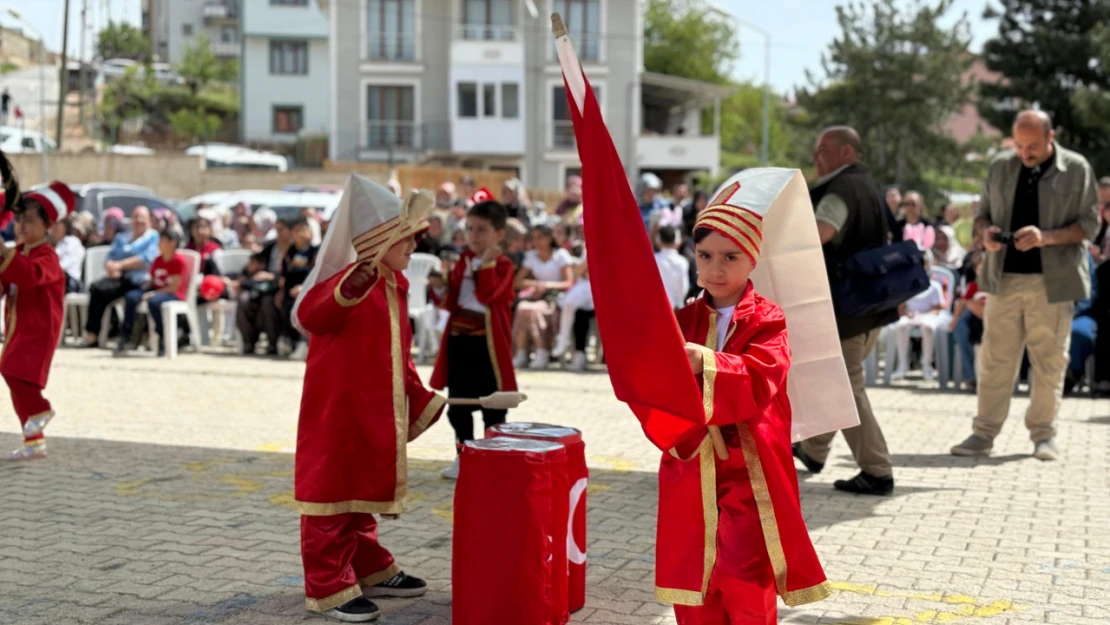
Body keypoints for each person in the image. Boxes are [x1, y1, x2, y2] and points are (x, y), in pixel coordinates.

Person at [665, 175, 832, 624]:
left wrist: (709, 363)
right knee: (693, 582)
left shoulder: (768, 319)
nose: (715, 268)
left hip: (747, 470)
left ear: (752, 258)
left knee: (743, 574)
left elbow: (762, 378)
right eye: (705, 256)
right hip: (693, 464)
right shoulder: (680, 321)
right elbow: (656, 391)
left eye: (729, 257)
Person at [290, 175, 445, 623]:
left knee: (362, 486)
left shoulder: (395, 285)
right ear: (380, 241)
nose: (414, 246)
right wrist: (351, 285)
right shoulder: (346, 281)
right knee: (332, 489)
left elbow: (399, 355)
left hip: (372, 405)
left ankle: (368, 565)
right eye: (407, 237)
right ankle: (328, 583)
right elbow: (310, 315)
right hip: (336, 407)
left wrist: (421, 399)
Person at [950, 110, 1100, 462]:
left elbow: (1089, 224)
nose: (1024, 153)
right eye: (1018, 145)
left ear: (1052, 137)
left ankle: (1044, 436)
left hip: (1053, 282)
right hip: (1003, 278)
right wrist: (985, 234)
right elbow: (983, 214)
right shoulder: (1001, 165)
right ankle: (983, 434)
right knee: (994, 360)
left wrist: (1045, 237)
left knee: (1048, 362)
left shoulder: (1077, 168)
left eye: (1032, 146)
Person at [794, 125, 897, 496]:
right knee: (834, 382)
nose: (815, 156)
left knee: (845, 389)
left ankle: (877, 470)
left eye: (823, 149)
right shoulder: (869, 185)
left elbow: (821, 231)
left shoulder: (840, 188)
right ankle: (813, 450)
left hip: (847, 308)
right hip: (870, 306)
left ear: (846, 153)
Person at [430, 200, 517, 481]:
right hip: (459, 344)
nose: (474, 235)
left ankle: (493, 456)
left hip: (487, 347)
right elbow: (451, 301)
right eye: (469, 229)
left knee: (493, 407)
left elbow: (487, 295)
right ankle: (463, 456)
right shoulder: (463, 260)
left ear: (499, 234)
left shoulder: (504, 265)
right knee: (459, 406)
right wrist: (441, 284)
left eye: (481, 230)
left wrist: (487, 263)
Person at [0, 174, 72, 461]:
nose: (21, 226)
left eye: (29, 220)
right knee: (17, 376)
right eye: (19, 220)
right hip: (19, 327)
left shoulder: (47, 257)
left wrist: (4, 254)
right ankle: (33, 442)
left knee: (14, 370)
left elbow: (29, 277)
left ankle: (41, 410)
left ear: (47, 226)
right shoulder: (18, 251)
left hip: (39, 329)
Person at [83, 206, 160, 347]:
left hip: (140, 281)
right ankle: (93, 334)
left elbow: (146, 259)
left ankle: (127, 337)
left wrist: (120, 265)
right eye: (135, 217)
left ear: (149, 220)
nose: (138, 220)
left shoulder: (153, 237)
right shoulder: (122, 237)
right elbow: (109, 257)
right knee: (96, 288)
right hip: (120, 278)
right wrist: (111, 267)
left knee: (130, 298)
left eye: (142, 217)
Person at [116, 229, 188, 357]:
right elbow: (152, 280)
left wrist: (153, 294)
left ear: (172, 243)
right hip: (156, 289)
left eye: (162, 241)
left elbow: (173, 287)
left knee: (154, 303)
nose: (159, 243)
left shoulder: (179, 261)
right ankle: (127, 335)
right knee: (131, 297)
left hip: (173, 294)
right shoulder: (158, 260)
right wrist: (144, 290)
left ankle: (162, 337)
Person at [512, 224, 575, 369]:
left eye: (540, 238)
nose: (536, 242)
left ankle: (542, 351)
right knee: (522, 308)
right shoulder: (531, 256)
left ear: (549, 238)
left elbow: (568, 282)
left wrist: (546, 286)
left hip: (555, 298)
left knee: (535, 311)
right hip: (537, 297)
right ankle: (521, 352)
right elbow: (518, 281)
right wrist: (536, 285)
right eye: (534, 238)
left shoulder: (561, 255)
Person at [890, 251, 949, 381]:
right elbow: (901, 307)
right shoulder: (905, 285)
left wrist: (923, 316)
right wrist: (907, 314)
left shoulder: (934, 286)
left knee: (927, 327)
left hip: (928, 317)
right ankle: (902, 365)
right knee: (901, 326)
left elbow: (936, 309)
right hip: (910, 317)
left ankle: (926, 366)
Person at [277, 218, 318, 359]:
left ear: (310, 232)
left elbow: (315, 272)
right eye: (296, 230)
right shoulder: (290, 251)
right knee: (282, 306)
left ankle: (303, 344)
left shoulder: (315, 251)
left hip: (308, 290)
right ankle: (286, 341)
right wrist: (280, 291)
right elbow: (284, 274)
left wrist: (304, 287)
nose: (299, 234)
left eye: (302, 230)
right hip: (289, 291)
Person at [949, 253, 986, 391]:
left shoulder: (1000, 286)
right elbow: (963, 302)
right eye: (979, 268)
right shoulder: (973, 286)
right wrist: (954, 319)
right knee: (961, 329)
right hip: (974, 324)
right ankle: (970, 378)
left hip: (993, 321)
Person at [654, 225, 689, 311]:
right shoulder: (682, 261)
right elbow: (683, 287)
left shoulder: (653, 259)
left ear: (659, 240)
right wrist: (678, 302)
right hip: (676, 307)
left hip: (657, 306)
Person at [49, 216, 85, 294]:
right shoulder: (52, 245)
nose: (53, 227)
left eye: (57, 224)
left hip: (71, 282)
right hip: (55, 277)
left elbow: (62, 266)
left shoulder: (72, 242)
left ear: (65, 227)